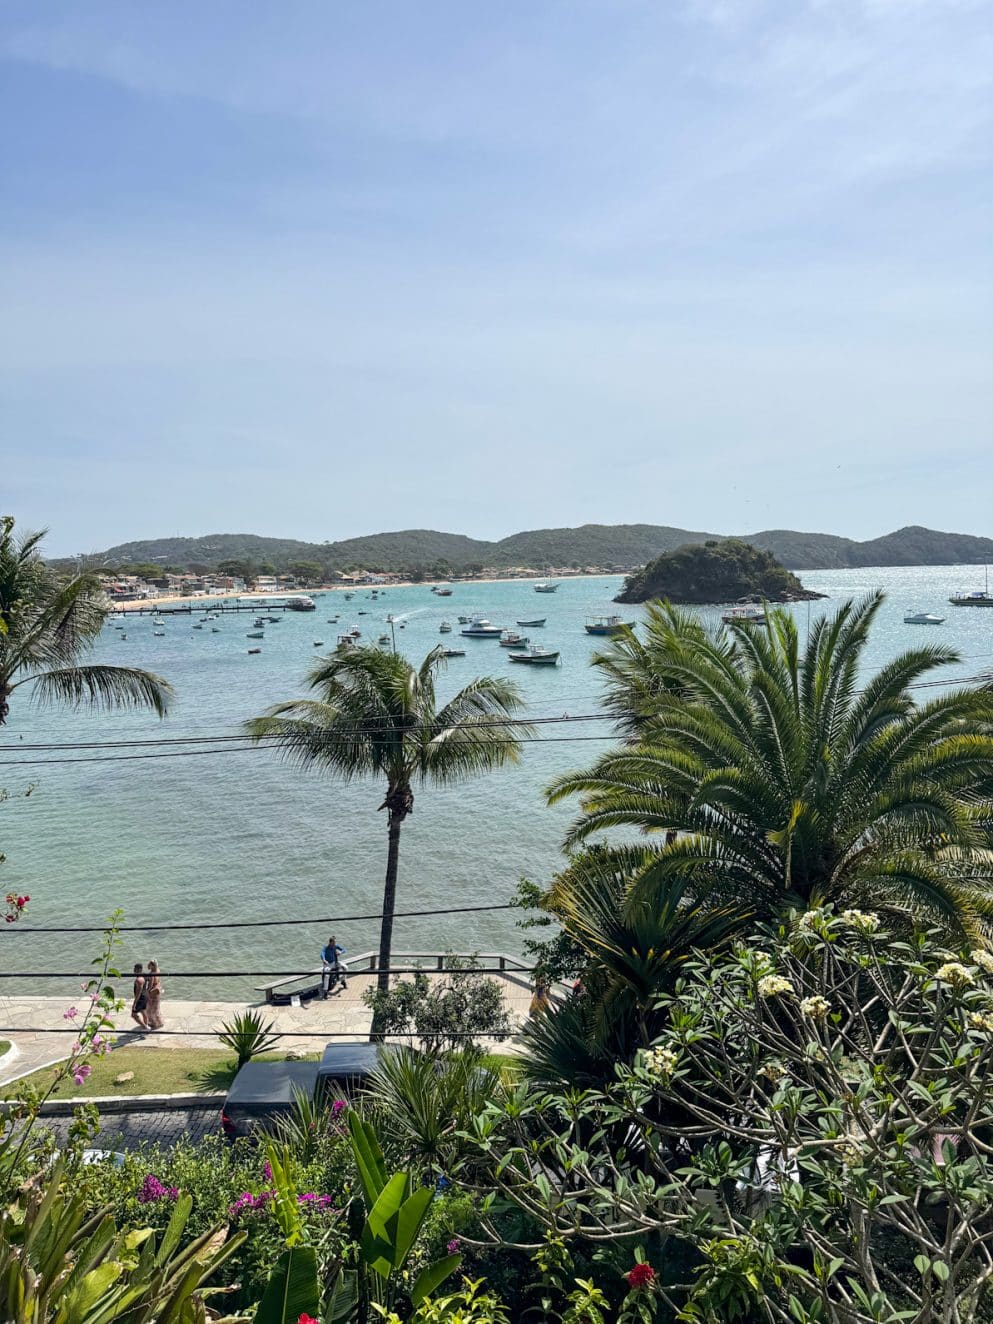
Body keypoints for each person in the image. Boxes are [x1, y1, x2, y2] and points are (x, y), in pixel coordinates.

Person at [320, 934, 347, 998]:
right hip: (328, 964)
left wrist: (341, 952)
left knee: (345, 967)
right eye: (334, 942)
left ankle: (343, 981)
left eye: (335, 942)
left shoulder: (335, 946)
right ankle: (325, 991)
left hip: (335, 962)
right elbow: (322, 954)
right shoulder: (325, 948)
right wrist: (324, 959)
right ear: (330, 942)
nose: (335, 943)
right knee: (327, 975)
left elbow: (344, 949)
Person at [145, 958, 164, 1029]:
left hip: (152, 993)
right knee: (157, 1008)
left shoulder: (152, 975)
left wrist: (146, 992)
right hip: (158, 991)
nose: (148, 966)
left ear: (152, 966)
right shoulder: (158, 970)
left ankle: (154, 1024)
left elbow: (149, 986)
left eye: (149, 965)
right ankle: (160, 1022)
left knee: (149, 1009)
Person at [131, 962, 148, 1028]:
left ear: (140, 970)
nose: (134, 971)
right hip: (145, 995)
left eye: (136, 969)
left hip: (141, 998)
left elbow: (138, 993)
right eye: (134, 969)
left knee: (133, 1014)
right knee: (144, 1012)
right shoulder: (145, 975)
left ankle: (145, 1027)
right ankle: (146, 1026)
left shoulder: (139, 980)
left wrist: (134, 1003)